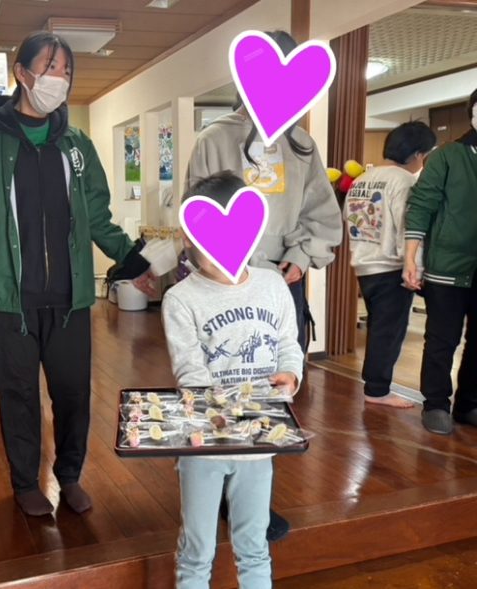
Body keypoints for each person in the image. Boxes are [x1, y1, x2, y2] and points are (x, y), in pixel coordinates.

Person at [0, 32, 154, 517]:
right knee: (18, 397)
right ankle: (26, 482)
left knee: (72, 396)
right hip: (8, 302)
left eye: (66, 70)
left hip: (69, 301)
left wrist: (135, 264)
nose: (59, 78)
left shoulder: (76, 144)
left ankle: (69, 476)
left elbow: (99, 217)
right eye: (49, 67)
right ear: (22, 73)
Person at [185, 30, 341, 540]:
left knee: (273, 390)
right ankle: (219, 493)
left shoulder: (301, 144)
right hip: (225, 283)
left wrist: (301, 255)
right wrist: (226, 265)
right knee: (224, 386)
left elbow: (320, 212)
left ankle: (253, 501)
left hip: (280, 283)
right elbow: (198, 212)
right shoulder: (215, 139)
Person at [163, 171, 303, 589]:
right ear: (188, 238)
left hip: (259, 441)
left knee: (254, 544)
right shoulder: (180, 299)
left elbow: (288, 344)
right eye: (204, 240)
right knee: (197, 549)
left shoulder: (272, 285)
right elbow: (189, 369)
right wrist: (217, 413)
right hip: (204, 445)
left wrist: (291, 375)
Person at [345, 122, 436, 408]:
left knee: (379, 327)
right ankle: (377, 390)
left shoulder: (362, 179)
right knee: (388, 332)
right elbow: (408, 228)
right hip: (391, 266)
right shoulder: (404, 181)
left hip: (364, 265)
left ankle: (375, 386)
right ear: (418, 154)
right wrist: (415, 269)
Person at [404, 89, 477, 436]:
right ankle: (435, 404)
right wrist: (411, 257)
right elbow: (421, 205)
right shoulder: (448, 156)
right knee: (442, 339)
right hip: (448, 266)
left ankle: (468, 404)